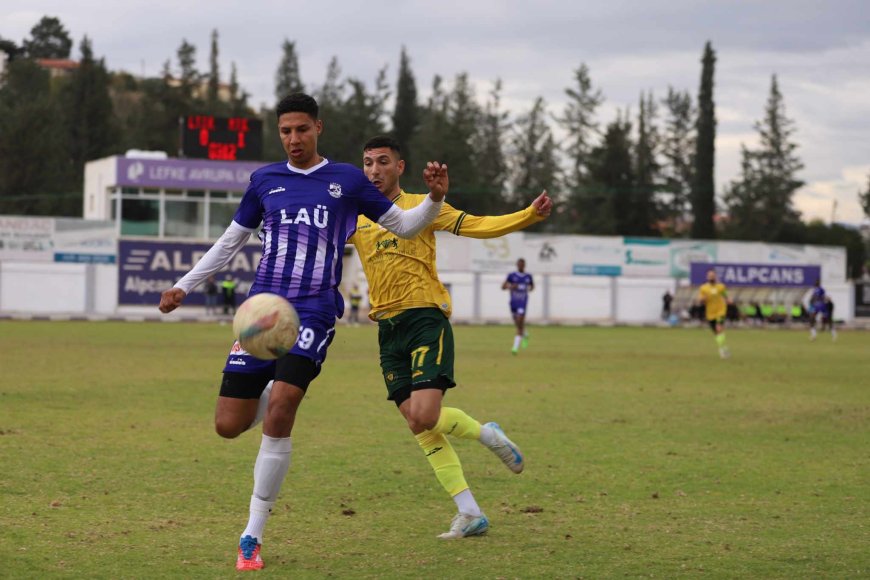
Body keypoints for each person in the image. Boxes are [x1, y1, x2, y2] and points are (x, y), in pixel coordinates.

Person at [158, 93, 449, 571]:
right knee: (228, 425)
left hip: (313, 311)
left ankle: (251, 535)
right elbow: (230, 242)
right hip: (261, 313)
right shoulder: (264, 181)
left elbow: (406, 225)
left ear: (319, 128)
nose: (294, 139)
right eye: (286, 131)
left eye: (302, 130)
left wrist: (435, 199)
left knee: (283, 408)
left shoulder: (348, 181)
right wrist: (183, 286)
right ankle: (273, 388)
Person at [351, 135, 552, 539]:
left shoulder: (422, 207)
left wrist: (528, 215)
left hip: (425, 318)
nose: (374, 170)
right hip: (386, 329)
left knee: (424, 415)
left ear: (399, 167)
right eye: (368, 163)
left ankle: (485, 433)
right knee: (417, 423)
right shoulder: (354, 217)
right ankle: (470, 512)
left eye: (383, 162)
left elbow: (478, 226)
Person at [502, 258, 534, 354]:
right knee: (517, 324)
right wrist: (511, 286)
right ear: (517, 265)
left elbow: (532, 286)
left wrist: (529, 288)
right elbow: (503, 287)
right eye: (519, 264)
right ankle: (525, 334)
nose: (520, 266)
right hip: (513, 303)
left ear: (524, 265)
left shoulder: (528, 276)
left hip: (522, 303)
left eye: (522, 264)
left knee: (520, 321)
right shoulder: (512, 276)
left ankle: (515, 348)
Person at [697, 268, 730, 358]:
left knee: (719, 328)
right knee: (717, 333)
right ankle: (723, 347)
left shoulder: (721, 286)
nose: (711, 277)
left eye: (713, 275)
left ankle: (722, 350)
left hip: (720, 311)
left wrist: (728, 300)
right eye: (710, 275)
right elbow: (700, 300)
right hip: (710, 313)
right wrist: (702, 299)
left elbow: (725, 295)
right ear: (707, 277)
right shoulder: (703, 288)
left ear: (715, 276)